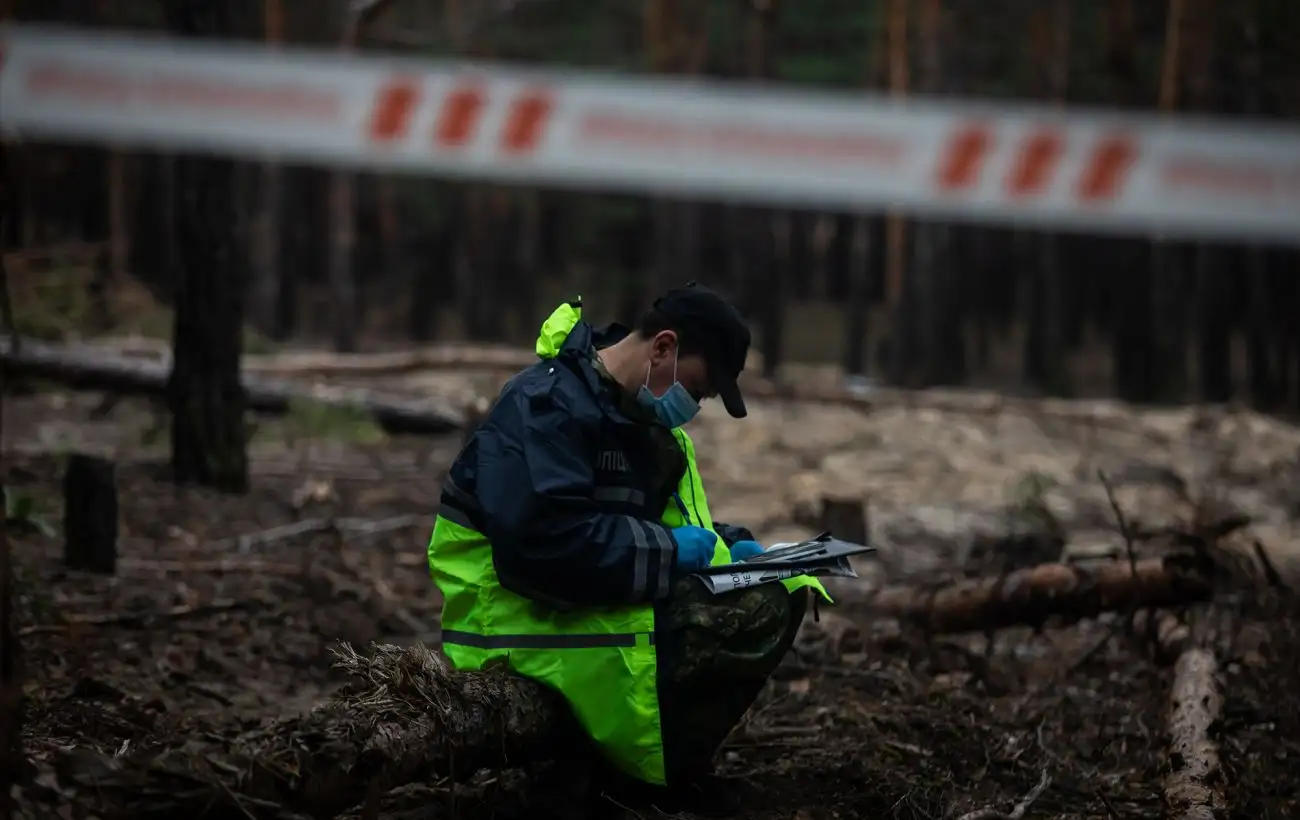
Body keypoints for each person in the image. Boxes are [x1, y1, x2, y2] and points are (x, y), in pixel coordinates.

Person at [426, 282, 830, 804]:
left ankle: (652, 770)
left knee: (780, 592)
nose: (695, 407)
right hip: (510, 622)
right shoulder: (546, 405)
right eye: (699, 389)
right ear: (663, 347)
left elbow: (664, 526)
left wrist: (735, 549)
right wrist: (670, 553)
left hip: (578, 603)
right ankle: (643, 783)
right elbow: (541, 548)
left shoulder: (640, 421)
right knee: (743, 615)